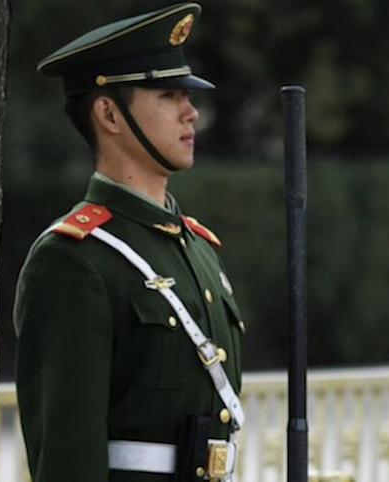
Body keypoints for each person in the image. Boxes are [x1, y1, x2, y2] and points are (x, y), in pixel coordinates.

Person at [13, 4, 246, 481]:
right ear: (109, 114)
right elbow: (67, 457)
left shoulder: (197, 248)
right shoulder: (73, 259)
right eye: (167, 95)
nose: (191, 112)